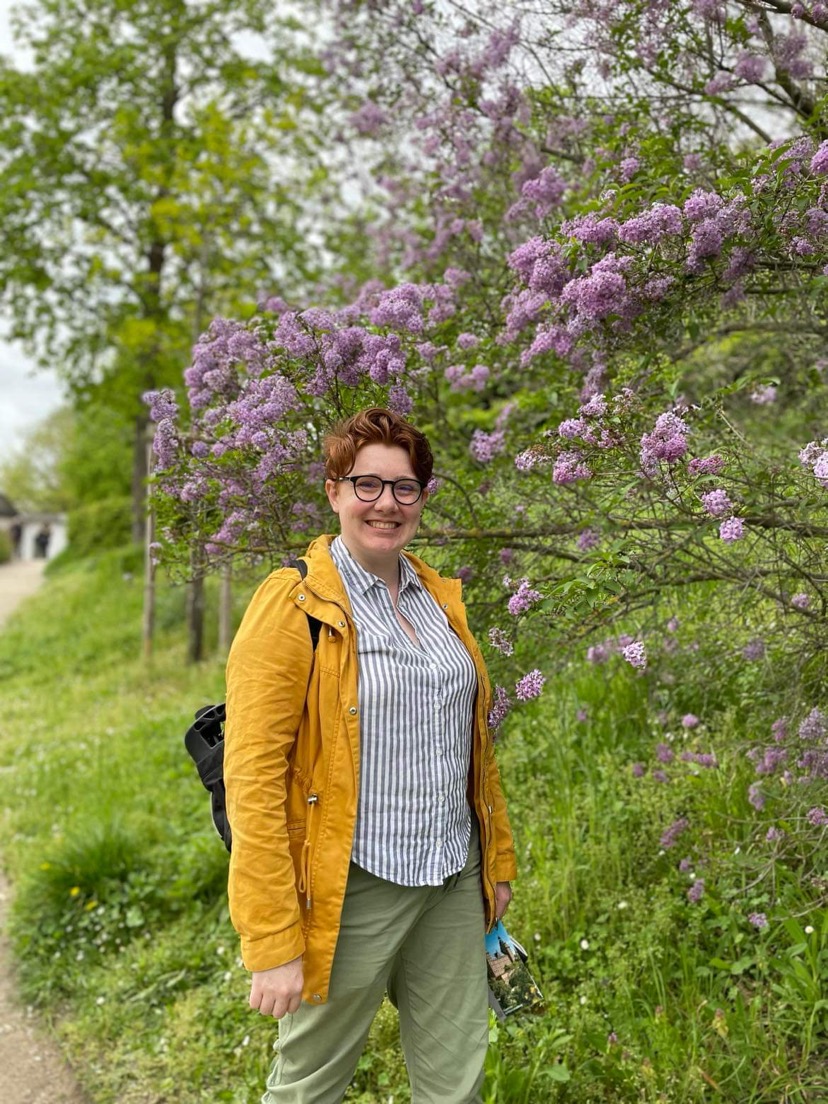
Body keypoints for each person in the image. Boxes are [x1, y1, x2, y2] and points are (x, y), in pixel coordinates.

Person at [224, 407, 516, 1103]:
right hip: (351, 883)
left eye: (405, 487)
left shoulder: (438, 597)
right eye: (367, 484)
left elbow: (472, 743)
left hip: (450, 876)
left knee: (458, 1087)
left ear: (421, 499)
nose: (386, 503)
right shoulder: (294, 603)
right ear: (333, 491)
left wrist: (495, 863)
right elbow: (254, 779)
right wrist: (272, 941)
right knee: (309, 1088)